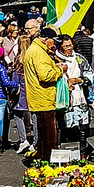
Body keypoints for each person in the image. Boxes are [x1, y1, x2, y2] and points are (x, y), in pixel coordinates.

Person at [22, 26, 66, 165]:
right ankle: (48, 165)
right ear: (46, 39)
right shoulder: (38, 52)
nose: (54, 44)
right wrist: (60, 70)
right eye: (53, 41)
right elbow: (45, 76)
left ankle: (42, 161)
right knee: (49, 137)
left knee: (43, 136)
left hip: (40, 96)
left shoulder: (36, 50)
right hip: (44, 97)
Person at [59, 35, 94, 156]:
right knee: (66, 129)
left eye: (70, 45)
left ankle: (83, 154)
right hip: (64, 101)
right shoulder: (56, 60)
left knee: (83, 129)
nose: (69, 48)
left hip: (80, 99)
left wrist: (79, 80)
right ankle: (67, 156)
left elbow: (90, 74)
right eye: (66, 46)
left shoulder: (79, 58)